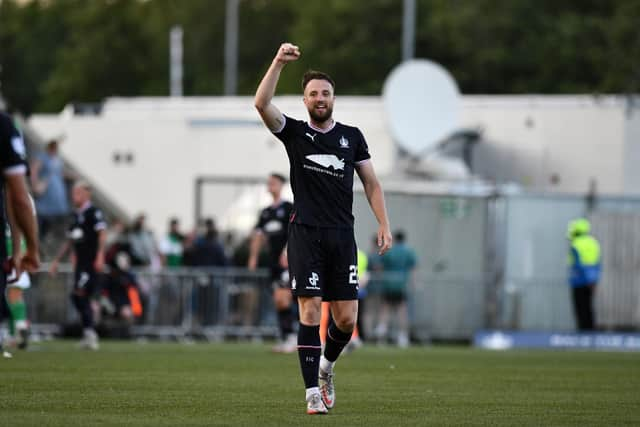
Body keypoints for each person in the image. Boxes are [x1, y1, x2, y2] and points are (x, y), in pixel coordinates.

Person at [254, 43, 392, 414]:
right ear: (304, 100)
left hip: (341, 236)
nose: (320, 98)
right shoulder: (296, 133)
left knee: (346, 320)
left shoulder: (352, 137)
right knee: (310, 311)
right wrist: (278, 62)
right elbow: (262, 104)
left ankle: (327, 368)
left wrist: (383, 223)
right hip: (305, 234)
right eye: (313, 93)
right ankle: (311, 393)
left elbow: (372, 184)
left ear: (333, 98)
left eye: (325, 93)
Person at [1, 112, 40, 358]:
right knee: (14, 291)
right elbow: (17, 203)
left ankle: (17, 331)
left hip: (11, 241)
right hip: (11, 243)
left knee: (13, 292)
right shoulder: (4, 125)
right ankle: (19, 329)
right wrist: (24, 249)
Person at [50, 181, 107, 350]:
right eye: (73, 193)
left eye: (77, 193)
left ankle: (90, 333)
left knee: (80, 294)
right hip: (80, 264)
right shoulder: (75, 215)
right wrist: (56, 261)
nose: (74, 197)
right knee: (77, 296)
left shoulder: (94, 213)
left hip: (90, 263)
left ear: (86, 194)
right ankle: (89, 330)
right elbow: (70, 241)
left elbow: (102, 234)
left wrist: (100, 255)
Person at [247, 173, 296, 353]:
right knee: (279, 300)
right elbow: (258, 235)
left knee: (284, 298)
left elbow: (295, 232)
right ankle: (287, 337)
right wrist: (253, 257)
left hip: (288, 261)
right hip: (273, 262)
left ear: (281, 185)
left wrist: (287, 252)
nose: (270, 186)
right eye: (269, 183)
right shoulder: (266, 212)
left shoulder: (288, 207)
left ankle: (292, 337)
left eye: (273, 183)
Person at [374, 230, 417, 348]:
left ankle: (381, 337)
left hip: (388, 283)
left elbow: (379, 266)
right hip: (401, 284)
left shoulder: (389, 250)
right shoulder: (408, 252)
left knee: (385, 309)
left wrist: (380, 279)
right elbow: (413, 269)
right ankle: (403, 337)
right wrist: (413, 284)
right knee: (402, 311)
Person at [30, 139, 71, 241]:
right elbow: (34, 170)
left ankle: (40, 240)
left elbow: (60, 173)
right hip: (46, 193)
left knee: (49, 222)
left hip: (57, 195)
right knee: (40, 218)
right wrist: (35, 185)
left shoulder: (57, 160)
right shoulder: (42, 157)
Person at [567, 218, 601, 331]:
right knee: (588, 307)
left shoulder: (576, 244)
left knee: (580, 307)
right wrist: (593, 280)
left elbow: (578, 264)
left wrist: (585, 278)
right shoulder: (593, 242)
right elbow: (598, 263)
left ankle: (583, 333)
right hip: (591, 280)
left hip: (579, 280)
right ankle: (590, 331)